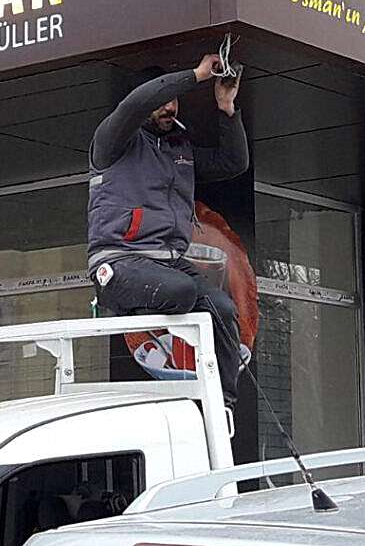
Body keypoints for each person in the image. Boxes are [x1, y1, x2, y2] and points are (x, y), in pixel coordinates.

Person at [87, 54, 250, 406]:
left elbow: (233, 163)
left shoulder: (180, 150)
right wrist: (196, 75)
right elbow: (135, 104)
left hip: (169, 263)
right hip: (120, 261)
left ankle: (222, 404)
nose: (170, 107)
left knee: (222, 307)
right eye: (162, 101)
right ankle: (117, 302)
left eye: (174, 101)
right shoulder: (113, 141)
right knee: (181, 290)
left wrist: (226, 107)